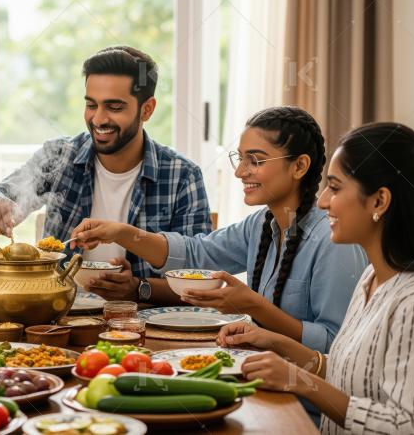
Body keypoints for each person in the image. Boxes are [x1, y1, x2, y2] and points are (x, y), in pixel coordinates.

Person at [71, 106, 367, 353]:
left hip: (303, 402)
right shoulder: (260, 225)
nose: (240, 172)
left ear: (299, 166)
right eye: (240, 159)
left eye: (256, 160)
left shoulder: (334, 241)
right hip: (259, 372)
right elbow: (196, 254)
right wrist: (122, 233)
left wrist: (257, 307)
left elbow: (336, 345)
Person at [217, 122, 414, 434]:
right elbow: (349, 373)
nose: (323, 200)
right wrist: (273, 342)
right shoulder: (372, 278)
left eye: (336, 188)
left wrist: (297, 380)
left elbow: (406, 426)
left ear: (379, 202)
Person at [0, 46, 212, 304]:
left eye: (114, 107)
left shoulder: (181, 176)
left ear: (147, 110)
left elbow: (198, 283)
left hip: (139, 324)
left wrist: (137, 288)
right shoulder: (59, 156)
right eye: (91, 104)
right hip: (58, 318)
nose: (98, 119)